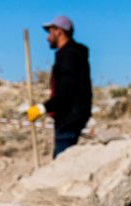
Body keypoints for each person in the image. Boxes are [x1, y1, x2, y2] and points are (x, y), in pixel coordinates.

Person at [26, 15, 92, 158]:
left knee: (61, 163)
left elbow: (66, 92)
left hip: (69, 118)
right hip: (71, 117)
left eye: (50, 32)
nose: (47, 37)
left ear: (59, 31)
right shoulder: (71, 54)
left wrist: (42, 108)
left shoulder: (69, 56)